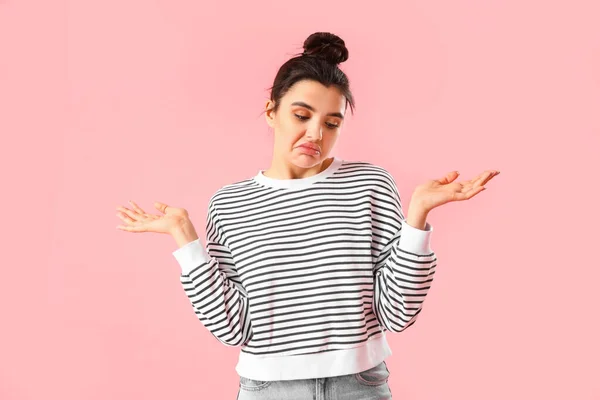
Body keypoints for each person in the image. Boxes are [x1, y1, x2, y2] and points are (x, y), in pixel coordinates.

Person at [116, 31, 499, 400]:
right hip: (267, 390)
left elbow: (396, 314)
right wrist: (185, 238)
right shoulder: (229, 204)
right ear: (271, 112)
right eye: (301, 115)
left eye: (331, 123)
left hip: (359, 385)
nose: (315, 134)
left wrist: (416, 217)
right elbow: (232, 328)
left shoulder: (369, 184)